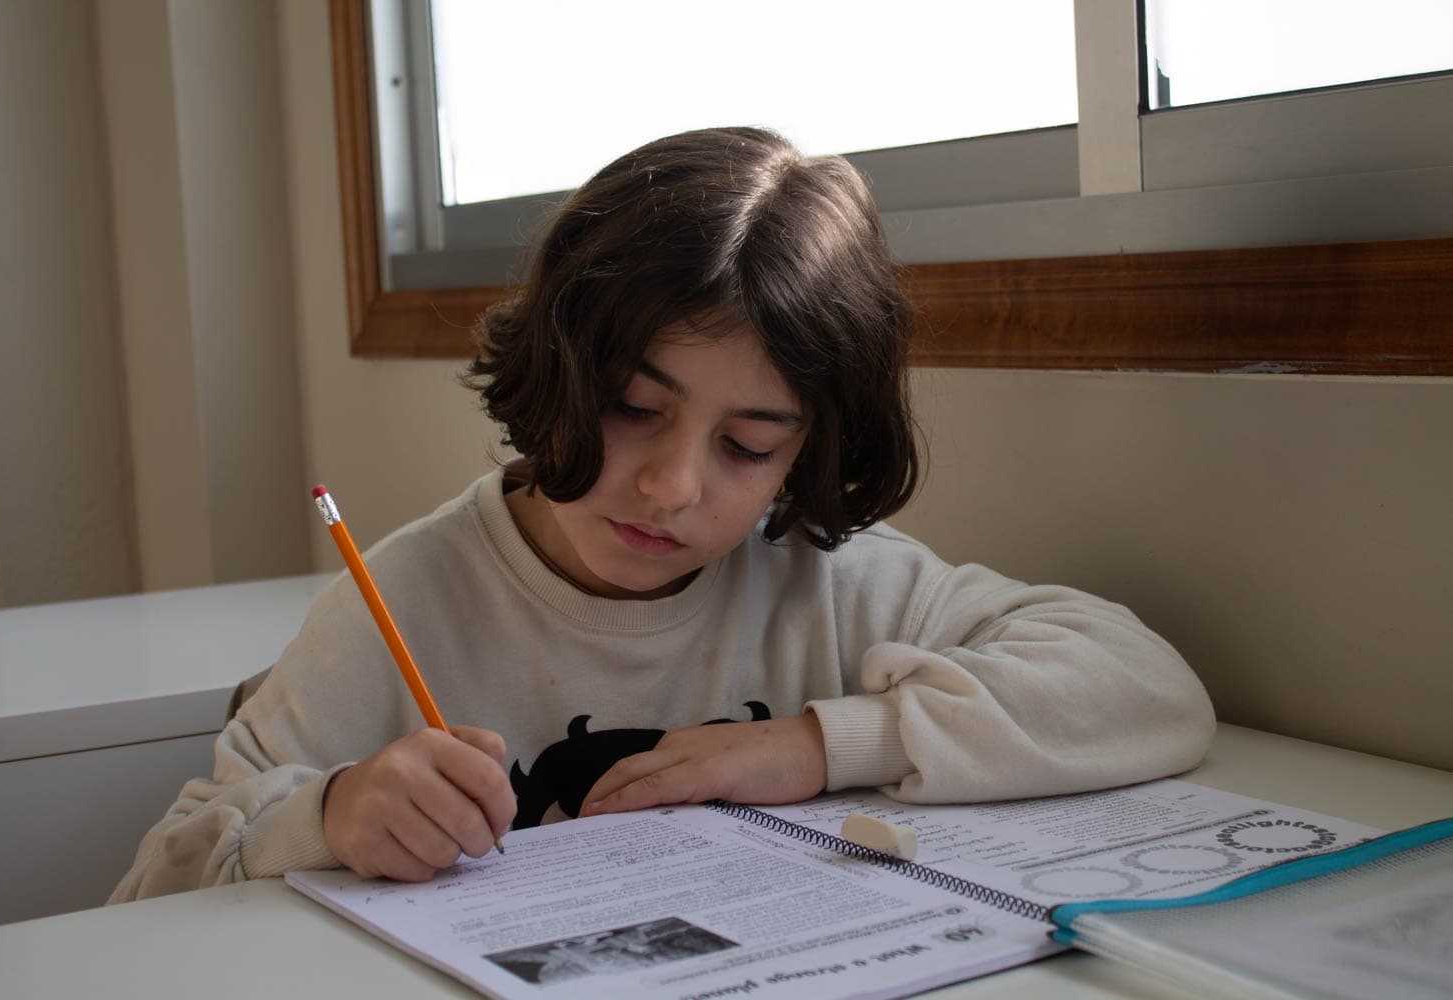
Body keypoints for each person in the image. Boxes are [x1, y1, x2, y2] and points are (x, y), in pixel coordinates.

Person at [109, 126, 1214, 902]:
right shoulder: (405, 597)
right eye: (637, 407)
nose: (675, 485)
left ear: (808, 453)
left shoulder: (825, 582)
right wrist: (333, 812)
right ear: (558, 363)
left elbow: (1150, 688)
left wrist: (819, 744)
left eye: (748, 444)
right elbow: (159, 876)